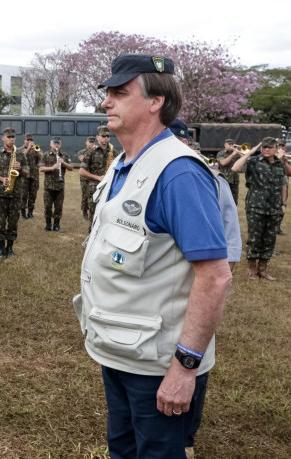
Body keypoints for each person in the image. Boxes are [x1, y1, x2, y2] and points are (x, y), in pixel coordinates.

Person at [73, 54, 231, 458]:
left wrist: (184, 367)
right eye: (107, 93)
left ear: (155, 101)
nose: (106, 102)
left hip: (158, 366)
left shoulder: (178, 173)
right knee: (123, 449)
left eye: (119, 93)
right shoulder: (123, 163)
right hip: (122, 351)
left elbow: (215, 277)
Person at [171, 119, 242, 458]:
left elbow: (230, 236)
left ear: (187, 144)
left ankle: (186, 437)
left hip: (198, 285)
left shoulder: (211, 181)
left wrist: (218, 284)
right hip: (161, 292)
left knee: (196, 355)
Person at [231, 137, 291, 280]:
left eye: (270, 147)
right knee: (255, 239)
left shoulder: (279, 163)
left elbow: (287, 177)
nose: (267, 149)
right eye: (264, 147)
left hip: (274, 207)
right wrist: (248, 153)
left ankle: (262, 269)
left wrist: (283, 204)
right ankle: (252, 269)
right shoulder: (254, 161)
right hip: (256, 207)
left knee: (269, 239)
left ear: (276, 148)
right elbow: (235, 168)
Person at [0, 128, 28, 258]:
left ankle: (10, 248)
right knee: (1, 222)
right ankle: (1, 249)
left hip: (16, 193)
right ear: (3, 138)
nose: (11, 139)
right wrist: (1, 179)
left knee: (13, 222)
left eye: (13, 137)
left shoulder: (20, 154)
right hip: (1, 193)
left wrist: (20, 169)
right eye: (8, 137)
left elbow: (27, 173)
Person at [79, 126, 115, 229]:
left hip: (108, 189)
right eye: (103, 136)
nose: (106, 139)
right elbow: (82, 171)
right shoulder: (91, 152)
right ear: (97, 137)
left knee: (107, 217)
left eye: (107, 136)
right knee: (94, 217)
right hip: (94, 189)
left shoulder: (113, 152)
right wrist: (98, 177)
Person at [39, 137, 72, 232]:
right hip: (48, 186)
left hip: (60, 186)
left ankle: (56, 225)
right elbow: (41, 168)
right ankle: (48, 225)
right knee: (47, 207)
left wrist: (63, 162)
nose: (56, 145)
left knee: (58, 207)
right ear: (51, 144)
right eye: (54, 143)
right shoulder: (45, 155)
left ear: (60, 145)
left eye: (58, 143)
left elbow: (71, 168)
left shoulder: (64, 155)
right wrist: (52, 168)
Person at [19, 133, 42, 219]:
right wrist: (28, 148)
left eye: (31, 140)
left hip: (34, 175)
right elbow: (20, 158)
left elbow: (42, 158)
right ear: (24, 140)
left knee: (33, 194)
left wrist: (37, 151)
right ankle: (23, 212)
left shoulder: (36, 148)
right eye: (27, 140)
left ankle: (30, 212)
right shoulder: (20, 149)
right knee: (23, 195)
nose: (29, 141)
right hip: (24, 175)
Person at [216, 139, 241, 205]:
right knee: (224, 201)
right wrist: (233, 154)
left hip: (235, 180)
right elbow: (223, 163)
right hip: (225, 180)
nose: (231, 146)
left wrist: (239, 152)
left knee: (234, 201)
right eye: (229, 144)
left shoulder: (236, 153)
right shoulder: (221, 153)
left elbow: (246, 159)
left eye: (232, 144)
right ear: (225, 145)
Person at [78, 136, 96, 221]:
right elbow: (83, 160)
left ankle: (93, 213)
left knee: (94, 195)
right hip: (84, 178)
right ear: (86, 142)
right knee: (85, 195)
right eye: (90, 142)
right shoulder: (82, 152)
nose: (91, 143)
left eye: (93, 142)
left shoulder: (97, 151)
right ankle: (84, 213)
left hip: (93, 176)